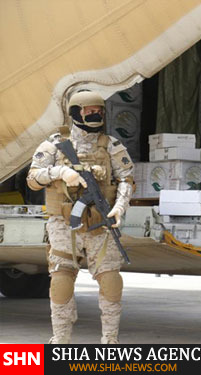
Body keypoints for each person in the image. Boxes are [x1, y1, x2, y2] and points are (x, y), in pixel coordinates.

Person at [27, 90, 135, 344]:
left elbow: (126, 179)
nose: (95, 115)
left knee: (110, 280)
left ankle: (110, 340)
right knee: (62, 278)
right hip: (64, 224)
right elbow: (33, 179)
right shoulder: (54, 145)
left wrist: (119, 206)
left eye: (99, 111)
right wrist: (61, 172)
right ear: (76, 113)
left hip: (101, 221)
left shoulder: (111, 145)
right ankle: (61, 340)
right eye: (89, 112)